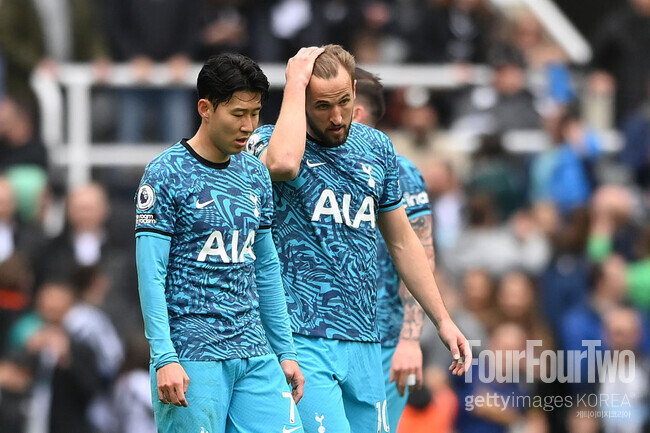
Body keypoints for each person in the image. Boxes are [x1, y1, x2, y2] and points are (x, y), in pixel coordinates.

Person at [247, 44, 471, 433]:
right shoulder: (265, 141)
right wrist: (295, 82)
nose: (337, 117)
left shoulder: (377, 148)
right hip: (300, 336)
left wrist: (442, 319)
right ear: (301, 100)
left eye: (344, 102)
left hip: (365, 339)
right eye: (322, 106)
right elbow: (282, 164)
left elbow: (403, 242)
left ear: (354, 90)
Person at [134, 53, 304, 432]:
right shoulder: (165, 173)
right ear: (205, 109)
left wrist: (285, 350)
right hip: (192, 352)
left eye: (255, 113)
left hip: (254, 349)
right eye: (238, 113)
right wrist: (164, 356)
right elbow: (150, 274)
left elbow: (266, 268)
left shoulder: (256, 173)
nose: (249, 126)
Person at [351, 66, 434, 429]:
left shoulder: (400, 172)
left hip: (384, 343)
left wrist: (410, 340)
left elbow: (422, 257)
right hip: (320, 340)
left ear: (356, 112)